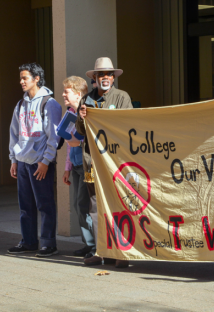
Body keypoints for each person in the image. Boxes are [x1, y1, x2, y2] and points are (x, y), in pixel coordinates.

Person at [75, 57, 133, 268]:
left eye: (108, 74)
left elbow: (128, 125)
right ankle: (101, 251)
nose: (105, 78)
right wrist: (82, 118)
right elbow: (80, 132)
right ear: (95, 78)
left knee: (118, 203)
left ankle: (122, 252)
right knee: (95, 207)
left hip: (115, 163)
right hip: (92, 163)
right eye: (101, 75)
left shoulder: (122, 97)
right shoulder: (86, 99)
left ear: (113, 77)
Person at [7, 63, 62, 257]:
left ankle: (48, 243)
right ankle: (29, 241)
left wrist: (46, 161)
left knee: (45, 204)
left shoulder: (49, 103)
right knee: (25, 205)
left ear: (37, 79)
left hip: (40, 163)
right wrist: (13, 159)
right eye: (20, 78)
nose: (21, 82)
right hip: (23, 161)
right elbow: (14, 133)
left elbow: (54, 136)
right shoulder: (20, 104)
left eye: (25, 78)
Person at [61, 76, 95, 258]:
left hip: (86, 166)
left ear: (78, 93)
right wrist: (67, 168)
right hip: (75, 166)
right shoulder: (70, 113)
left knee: (84, 205)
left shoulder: (86, 112)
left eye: (67, 92)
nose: (63, 95)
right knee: (78, 205)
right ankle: (88, 243)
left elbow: (88, 140)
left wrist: (77, 143)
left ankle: (94, 245)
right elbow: (69, 143)